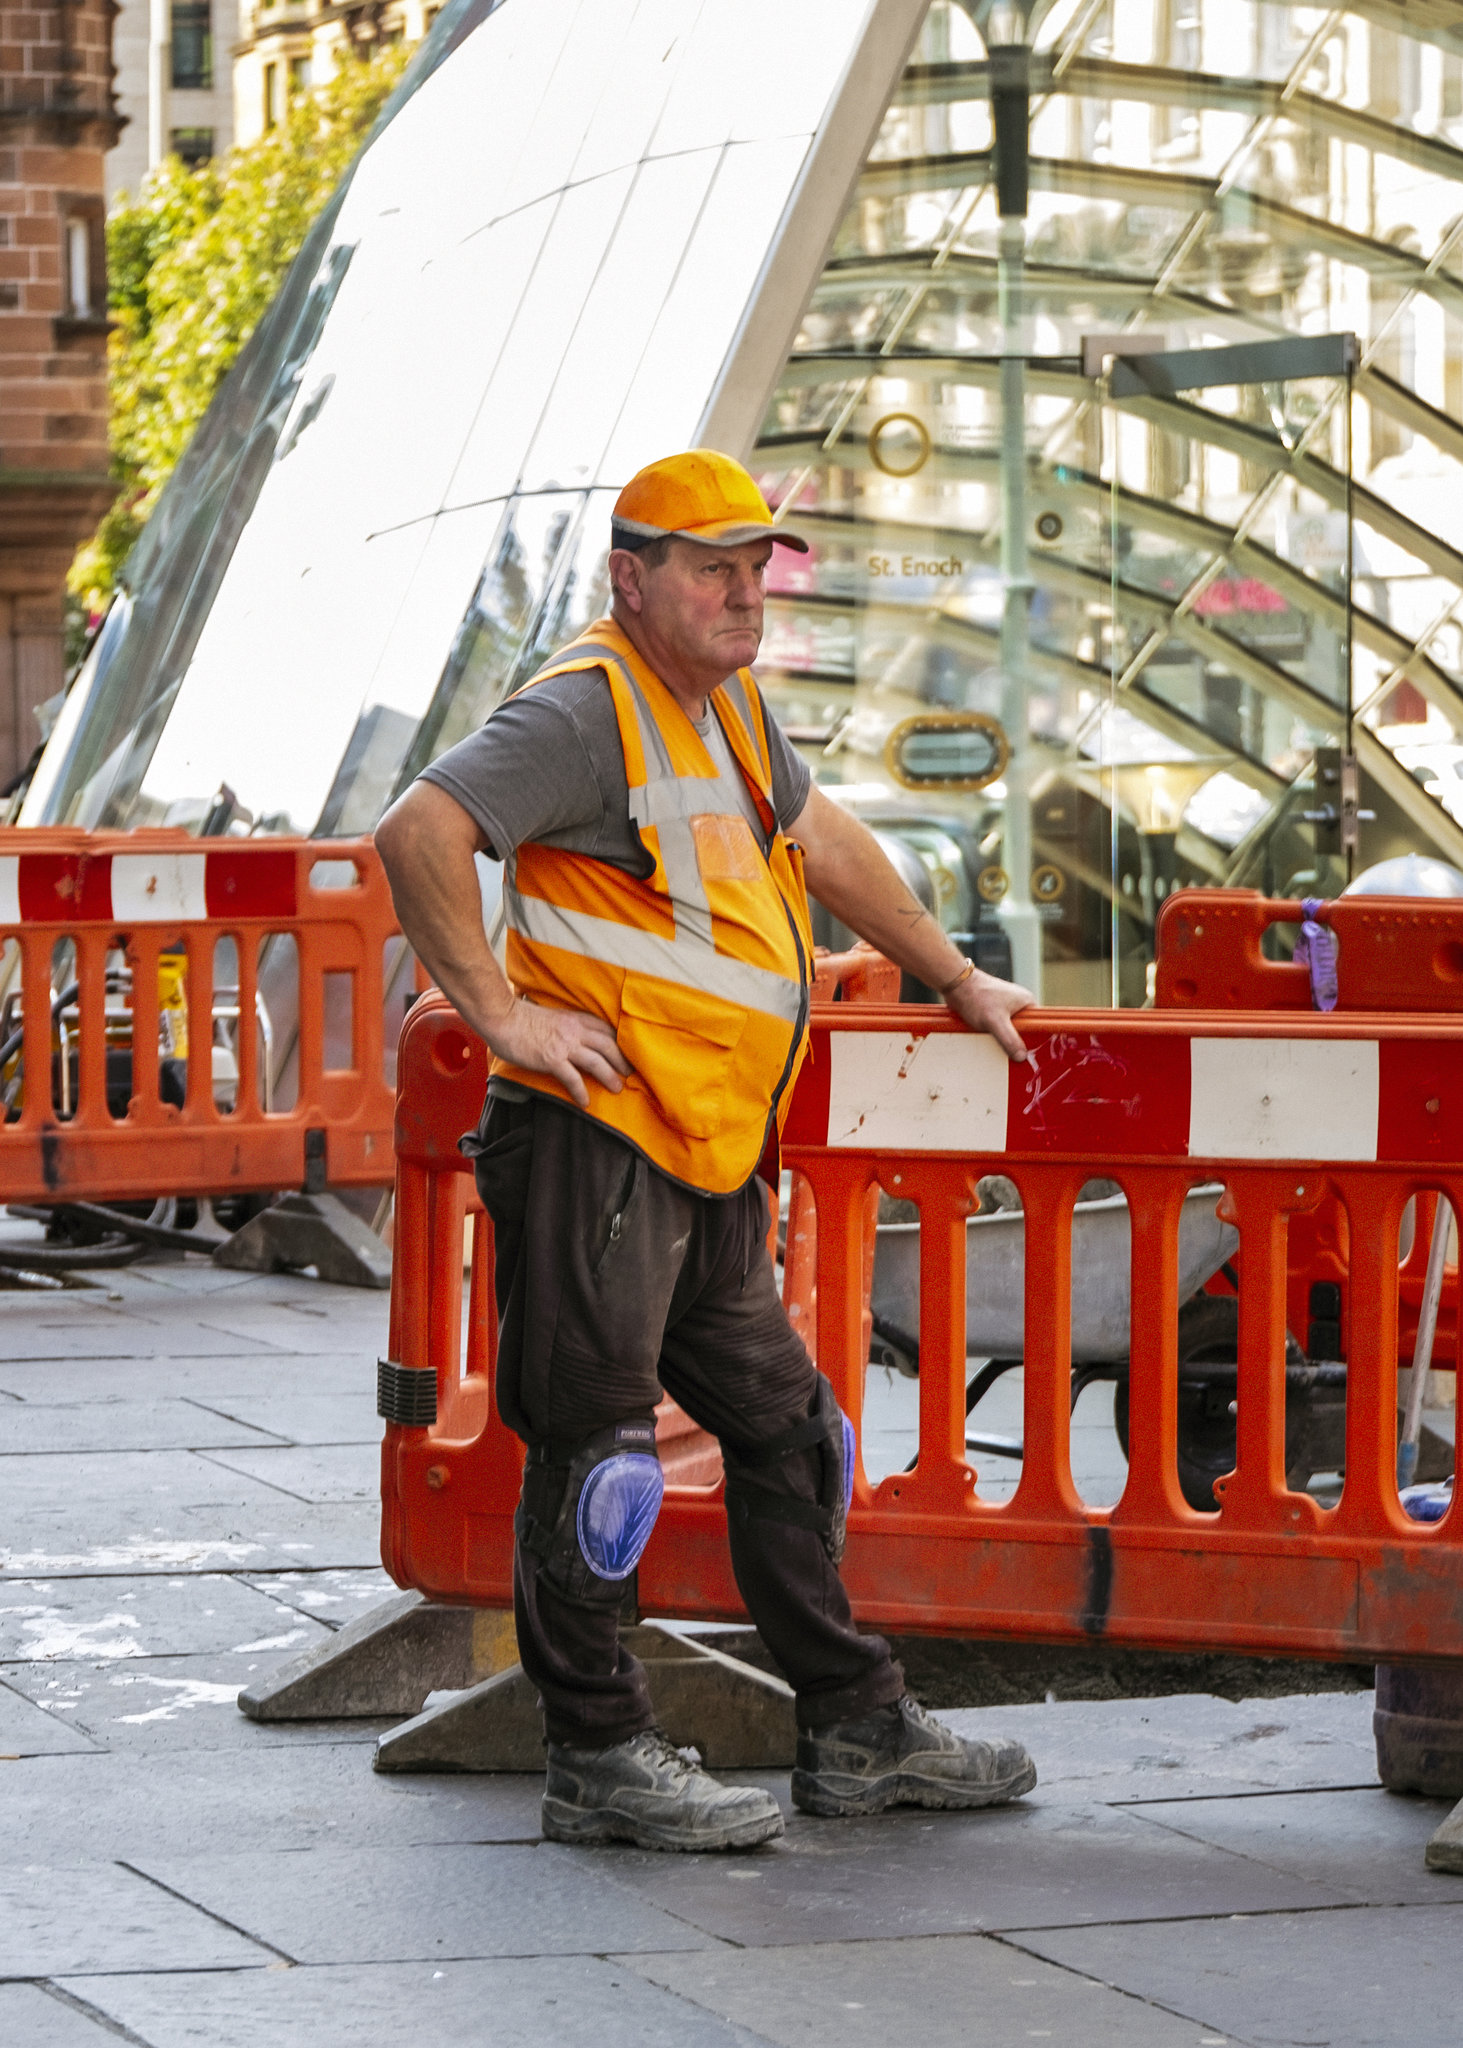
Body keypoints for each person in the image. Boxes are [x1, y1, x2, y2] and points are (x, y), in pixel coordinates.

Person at [376, 448, 1038, 1853]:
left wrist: (952, 973)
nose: (745, 595)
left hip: (705, 1150)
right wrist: (502, 1021)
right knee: (596, 1453)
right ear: (634, 577)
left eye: (757, 570)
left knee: (792, 1436)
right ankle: (599, 1753)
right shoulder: (587, 707)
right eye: (711, 570)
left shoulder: (723, 709)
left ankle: (857, 1727)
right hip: (598, 1142)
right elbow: (419, 830)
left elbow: (828, 845)